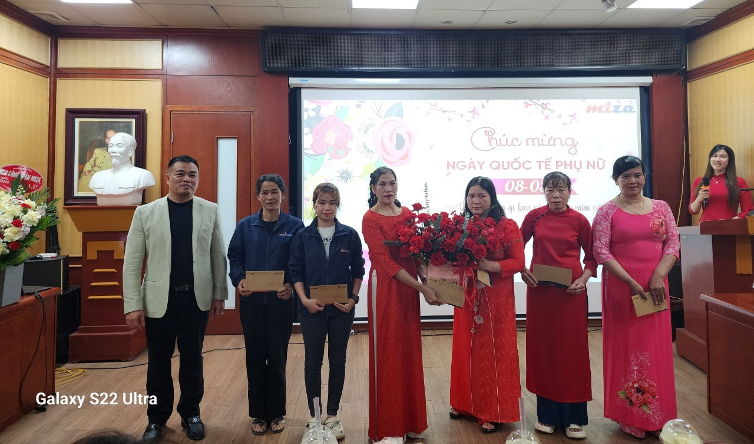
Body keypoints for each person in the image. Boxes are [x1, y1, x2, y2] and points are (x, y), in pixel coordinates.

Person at [123, 155, 228, 442]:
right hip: (159, 301)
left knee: (192, 360)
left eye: (193, 175)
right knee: (158, 363)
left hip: (195, 299)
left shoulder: (209, 210)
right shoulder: (145, 213)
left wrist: (220, 293)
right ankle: (156, 419)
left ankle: (191, 413)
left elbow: (218, 255)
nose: (187, 179)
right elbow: (132, 263)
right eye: (180, 174)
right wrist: (132, 304)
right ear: (168, 177)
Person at [592, 156, 679, 439]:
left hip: (655, 289)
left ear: (644, 176)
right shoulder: (607, 211)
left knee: (655, 349)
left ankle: (659, 414)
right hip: (623, 289)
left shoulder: (661, 207)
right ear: (615, 180)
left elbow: (673, 243)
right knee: (629, 350)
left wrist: (658, 276)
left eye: (637, 175)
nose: (633, 181)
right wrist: (630, 281)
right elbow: (601, 251)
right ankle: (630, 415)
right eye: (626, 176)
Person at [362, 166, 442, 444]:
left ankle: (411, 423)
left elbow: (416, 253)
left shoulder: (407, 213)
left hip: (409, 289)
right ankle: (389, 428)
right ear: (373, 188)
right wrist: (422, 287)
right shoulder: (370, 218)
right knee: (388, 352)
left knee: (408, 351)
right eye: (382, 184)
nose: (388, 189)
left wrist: (428, 278)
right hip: (386, 288)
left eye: (392, 183)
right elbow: (384, 261)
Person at [520, 171, 596, 440]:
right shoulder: (534, 217)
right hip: (540, 295)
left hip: (571, 295)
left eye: (561, 189)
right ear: (543, 192)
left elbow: (592, 258)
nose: (555, 195)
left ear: (569, 192)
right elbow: (515, 248)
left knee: (572, 352)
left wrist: (583, 280)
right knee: (545, 350)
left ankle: (575, 417)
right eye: (550, 190)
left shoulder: (580, 220)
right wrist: (521, 269)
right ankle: (547, 415)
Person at [227, 174, 304, 436]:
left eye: (275, 192)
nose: (270, 197)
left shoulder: (295, 226)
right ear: (258, 196)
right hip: (251, 303)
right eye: (265, 192)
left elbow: (300, 261)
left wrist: (291, 284)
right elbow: (235, 258)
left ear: (283, 194)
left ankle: (277, 412)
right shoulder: (245, 226)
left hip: (280, 303)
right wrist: (238, 280)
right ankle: (259, 413)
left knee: (278, 357)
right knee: (255, 357)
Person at [288, 183, 365, 442]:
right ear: (314, 204)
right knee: (313, 362)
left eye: (332, 202)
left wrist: (353, 299)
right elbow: (295, 272)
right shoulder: (302, 236)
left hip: (342, 310)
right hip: (311, 310)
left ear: (338, 205)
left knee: (338, 361)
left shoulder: (349, 235)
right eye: (321, 202)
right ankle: (315, 415)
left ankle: (332, 415)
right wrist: (305, 301)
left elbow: (358, 270)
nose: (327, 207)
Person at [449, 176, 525, 434]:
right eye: (471, 195)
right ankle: (465, 404)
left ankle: (492, 410)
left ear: (492, 198)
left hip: (496, 301)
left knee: (491, 353)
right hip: (467, 298)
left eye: (482, 195)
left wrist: (488, 265)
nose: (476, 201)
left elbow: (518, 263)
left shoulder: (506, 226)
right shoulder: (460, 226)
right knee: (465, 349)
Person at [689, 144, 753, 221]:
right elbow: (693, 211)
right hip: (705, 226)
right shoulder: (699, 181)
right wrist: (699, 198)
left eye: (723, 156)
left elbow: (748, 211)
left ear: (729, 160)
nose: (717, 159)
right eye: (714, 156)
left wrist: (730, 223)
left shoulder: (739, 182)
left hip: (729, 226)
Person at [89, 132, 156, 205]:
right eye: (111, 146)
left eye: (119, 146)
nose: (113, 151)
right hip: (101, 212)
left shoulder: (143, 176)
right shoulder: (97, 176)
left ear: (130, 151)